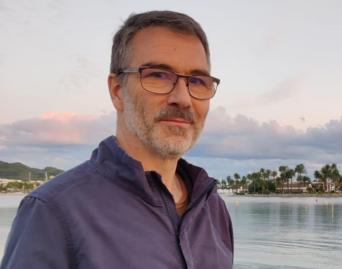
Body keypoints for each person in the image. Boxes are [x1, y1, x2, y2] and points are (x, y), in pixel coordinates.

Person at [0, 10, 233, 269]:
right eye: (157, 75)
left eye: (197, 81)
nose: (183, 98)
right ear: (117, 90)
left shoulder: (213, 209)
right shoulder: (53, 212)